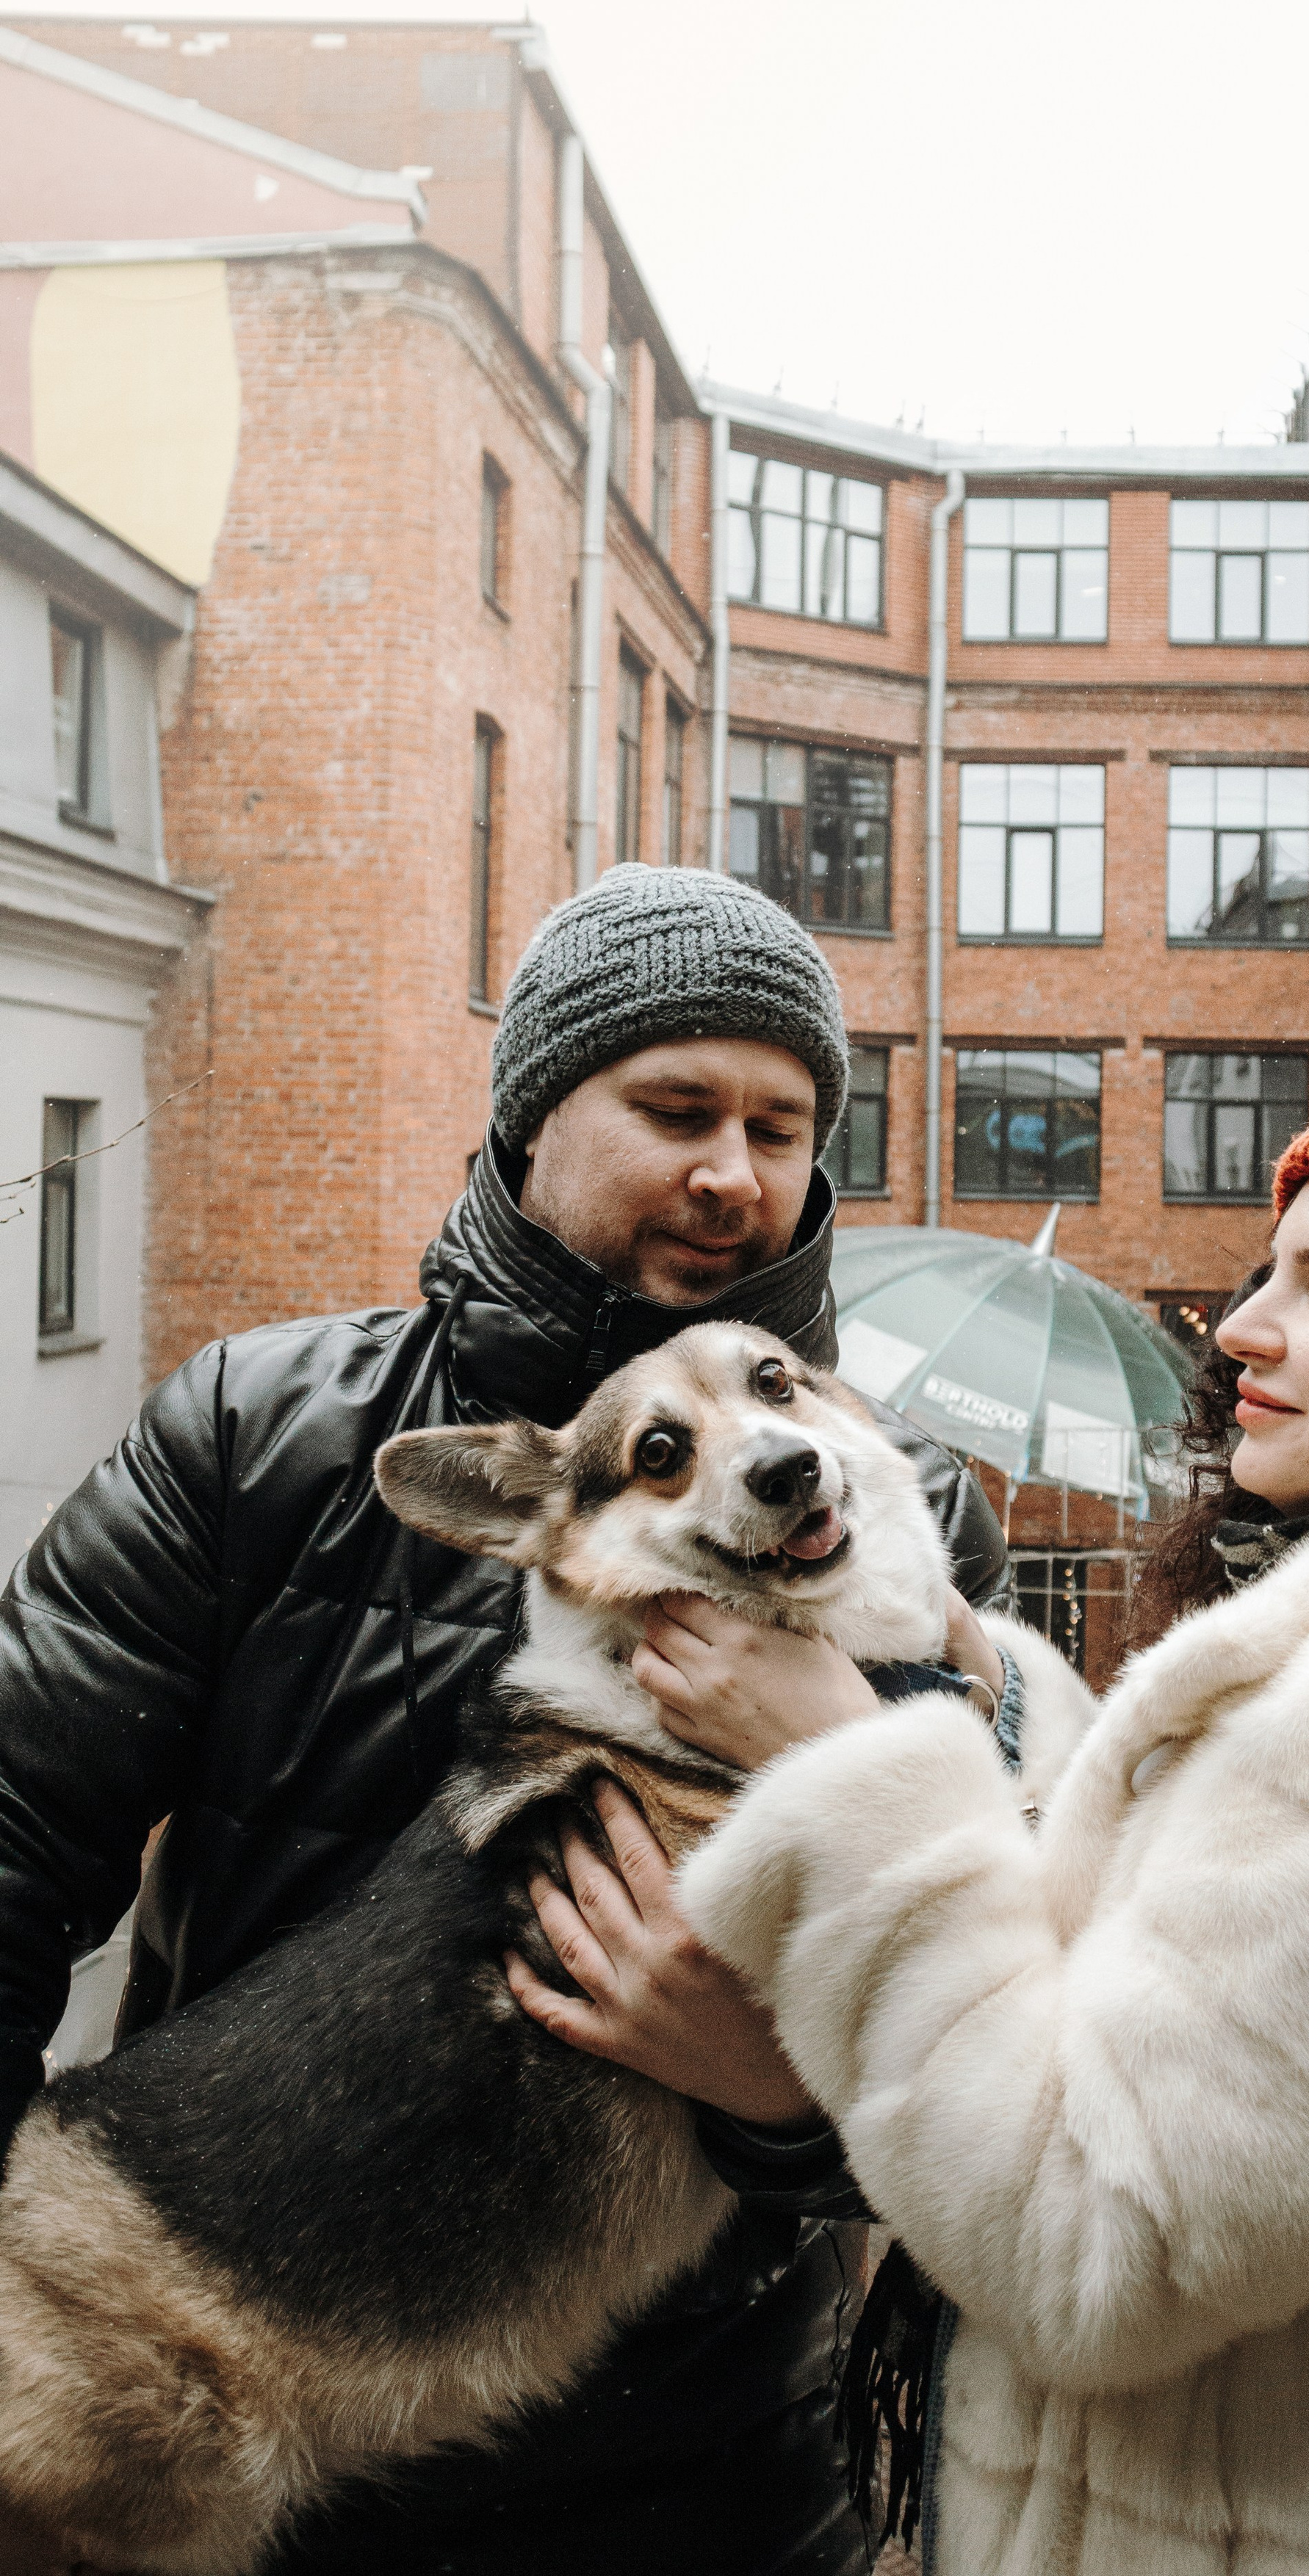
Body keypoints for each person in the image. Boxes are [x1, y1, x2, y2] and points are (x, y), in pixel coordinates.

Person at [517, 1080, 1309, 2576]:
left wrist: (848, 1768)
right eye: (1271, 1272)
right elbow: (1176, 1948)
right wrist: (977, 1679)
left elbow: (1093, 2251)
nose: (1243, 1327)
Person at [0, 865, 1008, 2576]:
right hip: (230, 2407)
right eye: (675, 1110)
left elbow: (1001, 2051)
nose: (732, 1172)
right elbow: (13, 1853)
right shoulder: (260, 1434)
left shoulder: (906, 1523)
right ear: (533, 1115)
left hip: (717, 2486)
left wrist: (777, 2099)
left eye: (778, 1128)